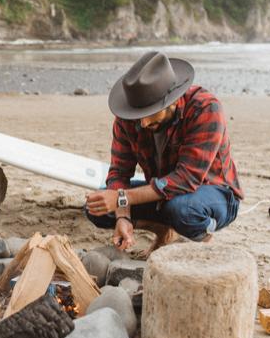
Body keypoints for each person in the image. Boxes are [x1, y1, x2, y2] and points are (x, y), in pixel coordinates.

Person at [85, 51, 243, 258]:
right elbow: (119, 173)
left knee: (182, 210)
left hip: (213, 193)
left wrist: (121, 198)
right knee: (97, 207)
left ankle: (203, 237)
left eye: (150, 113)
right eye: (139, 115)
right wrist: (122, 216)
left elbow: (186, 179)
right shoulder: (129, 116)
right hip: (163, 192)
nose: (143, 123)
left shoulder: (205, 108)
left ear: (173, 101)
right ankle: (164, 231)